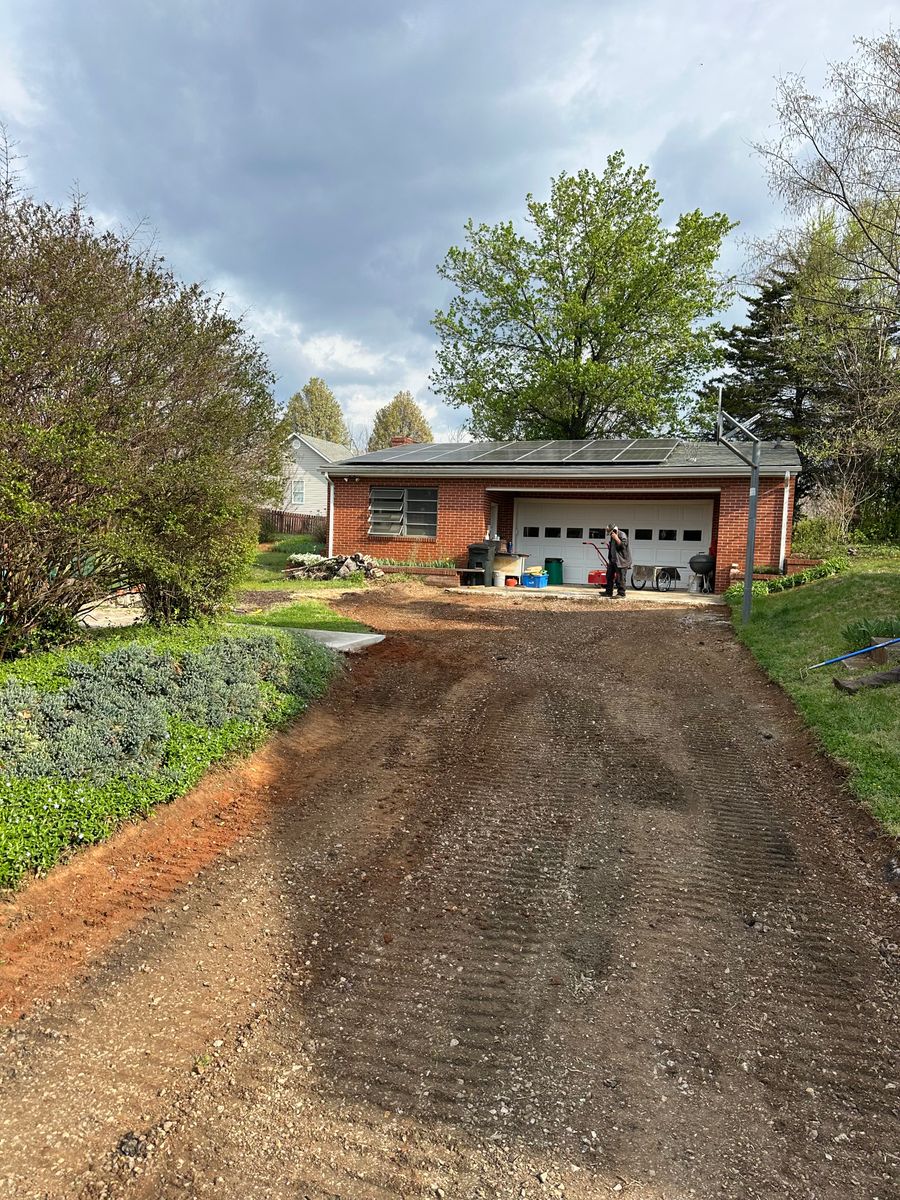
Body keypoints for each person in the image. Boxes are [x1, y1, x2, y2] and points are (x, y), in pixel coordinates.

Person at [605, 524, 631, 597]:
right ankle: (608, 592)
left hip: (621, 561)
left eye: (610, 533)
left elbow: (623, 546)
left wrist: (616, 538)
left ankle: (621, 593)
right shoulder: (612, 537)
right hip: (613, 560)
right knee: (609, 576)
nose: (610, 535)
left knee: (620, 578)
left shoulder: (622, 534)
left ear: (614, 530)